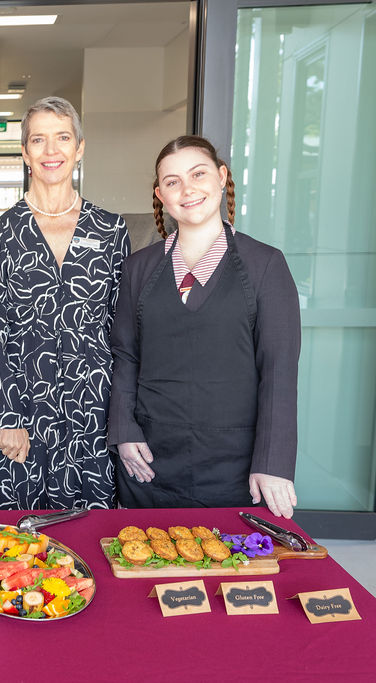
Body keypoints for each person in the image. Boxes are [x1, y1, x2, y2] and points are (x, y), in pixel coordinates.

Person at [109, 135, 300, 517]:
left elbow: (279, 370)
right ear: (161, 194)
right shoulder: (138, 268)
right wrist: (124, 433)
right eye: (172, 181)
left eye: (198, 174)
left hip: (236, 465)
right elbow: (125, 356)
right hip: (150, 460)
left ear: (221, 177)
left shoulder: (266, 265)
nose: (188, 189)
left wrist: (273, 462)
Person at [0, 96, 130, 510]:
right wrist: (6, 417)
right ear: (25, 153)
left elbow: (125, 330)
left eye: (62, 138)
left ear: (80, 148)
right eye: (38, 140)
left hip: (94, 408)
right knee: (17, 546)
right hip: (22, 412)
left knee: (92, 537)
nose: (51, 150)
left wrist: (126, 417)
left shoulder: (111, 230)